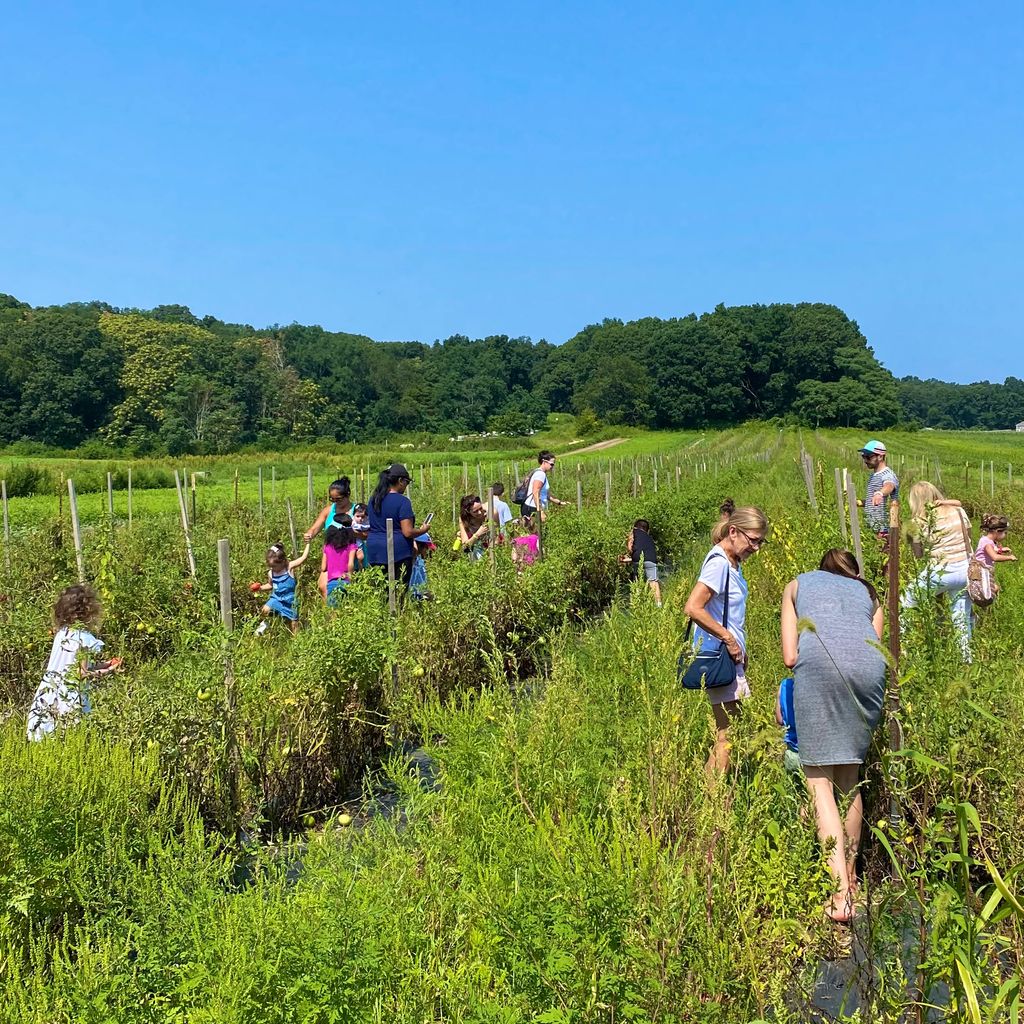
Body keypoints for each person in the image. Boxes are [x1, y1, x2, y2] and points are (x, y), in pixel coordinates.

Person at [780, 548, 885, 923]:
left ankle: (840, 898)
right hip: (870, 676)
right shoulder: (870, 593)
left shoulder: (796, 585)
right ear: (852, 573)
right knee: (850, 779)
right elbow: (873, 647)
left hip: (819, 672)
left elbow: (790, 657)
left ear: (820, 568)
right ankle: (853, 878)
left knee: (818, 781)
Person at [683, 499, 769, 775]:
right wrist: (730, 640)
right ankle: (714, 801)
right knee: (727, 735)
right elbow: (693, 607)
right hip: (718, 655)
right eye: (753, 541)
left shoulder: (732, 562)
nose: (755, 548)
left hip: (728, 657)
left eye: (760, 543)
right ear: (734, 532)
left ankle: (715, 793)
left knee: (731, 730)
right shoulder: (719, 563)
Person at [28, 584, 122, 741]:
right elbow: (81, 673)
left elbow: (70, 667)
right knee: (70, 740)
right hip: (69, 698)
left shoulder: (62, 634)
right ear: (88, 611)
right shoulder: (83, 639)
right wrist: (109, 670)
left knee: (47, 742)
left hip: (49, 693)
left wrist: (103, 665)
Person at [902, 481, 973, 661]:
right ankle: (966, 659)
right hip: (966, 570)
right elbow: (969, 537)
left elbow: (918, 556)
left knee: (906, 600)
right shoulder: (958, 511)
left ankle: (903, 647)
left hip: (941, 571)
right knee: (961, 617)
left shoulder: (918, 521)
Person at [366, 464, 430, 591]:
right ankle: (399, 611)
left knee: (381, 589)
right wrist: (424, 530)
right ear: (400, 481)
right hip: (398, 551)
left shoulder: (373, 499)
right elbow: (407, 532)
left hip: (375, 549)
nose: (406, 486)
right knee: (399, 590)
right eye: (406, 482)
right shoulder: (403, 502)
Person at [252, 541, 311, 634]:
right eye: (270, 566)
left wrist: (308, 544)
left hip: (290, 602)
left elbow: (303, 558)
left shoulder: (289, 568)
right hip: (276, 598)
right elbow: (271, 585)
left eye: (274, 566)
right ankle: (265, 625)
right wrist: (260, 588)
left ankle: (297, 640)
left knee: (294, 625)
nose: (272, 568)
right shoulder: (271, 573)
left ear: (283, 562)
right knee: (265, 609)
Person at [859, 440, 899, 541]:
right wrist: (860, 502)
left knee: (883, 554)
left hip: (882, 529)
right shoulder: (874, 475)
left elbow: (889, 485)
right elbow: (874, 501)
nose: (865, 460)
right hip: (872, 526)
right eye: (863, 456)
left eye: (868, 456)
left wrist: (880, 493)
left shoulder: (887, 474)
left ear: (880, 456)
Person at [320, 516, 361, 605]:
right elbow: (350, 564)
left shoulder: (327, 546)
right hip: (346, 581)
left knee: (333, 611)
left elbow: (323, 567)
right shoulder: (351, 545)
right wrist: (350, 576)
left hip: (332, 582)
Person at [623, 518, 662, 607]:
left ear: (635, 526)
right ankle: (659, 605)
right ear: (647, 530)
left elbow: (631, 547)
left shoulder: (634, 531)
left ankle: (637, 605)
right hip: (651, 561)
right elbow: (645, 555)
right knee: (653, 582)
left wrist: (629, 552)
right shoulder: (649, 538)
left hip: (637, 560)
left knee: (637, 581)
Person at [522, 451, 568, 521]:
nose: (553, 466)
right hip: (532, 508)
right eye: (551, 464)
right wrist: (540, 511)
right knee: (536, 531)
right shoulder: (540, 475)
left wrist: (559, 502)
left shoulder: (538, 472)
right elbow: (535, 492)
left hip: (532, 507)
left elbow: (547, 495)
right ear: (544, 462)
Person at [303, 477, 353, 542]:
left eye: (338, 499)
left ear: (348, 494)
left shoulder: (357, 511)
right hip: (332, 551)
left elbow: (366, 533)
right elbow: (315, 528)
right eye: (332, 499)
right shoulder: (327, 511)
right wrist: (310, 534)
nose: (335, 502)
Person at [976, 514, 1016, 592]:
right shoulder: (988, 543)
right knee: (994, 589)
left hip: (982, 571)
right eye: (1005, 533)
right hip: (982, 572)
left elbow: (989, 551)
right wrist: (1009, 557)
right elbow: (995, 557)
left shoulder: (985, 539)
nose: (1005, 535)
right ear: (997, 531)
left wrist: (1001, 550)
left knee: (992, 589)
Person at [775, 677, 801, 776]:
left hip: (793, 752)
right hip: (818, 754)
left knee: (795, 788)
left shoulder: (785, 684)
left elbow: (779, 719)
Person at [458, 495, 489, 560]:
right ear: (468, 511)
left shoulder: (489, 514)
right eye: (475, 511)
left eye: (480, 508)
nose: (480, 512)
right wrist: (477, 534)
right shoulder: (464, 520)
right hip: (475, 558)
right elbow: (465, 547)